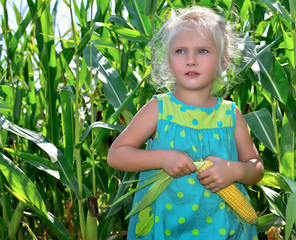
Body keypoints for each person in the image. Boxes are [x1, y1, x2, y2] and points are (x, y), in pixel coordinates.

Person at [107, 6, 264, 240]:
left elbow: (256, 167)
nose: (191, 60)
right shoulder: (158, 109)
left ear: (223, 62)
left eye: (202, 50)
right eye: (180, 51)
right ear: (169, 61)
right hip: (164, 227)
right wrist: (161, 158)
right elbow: (117, 155)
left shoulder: (230, 115)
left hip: (222, 228)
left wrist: (235, 170)